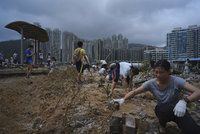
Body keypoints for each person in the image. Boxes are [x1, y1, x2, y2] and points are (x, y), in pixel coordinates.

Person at [113, 59, 200, 134]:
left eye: (161, 72)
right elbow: (135, 91)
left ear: (169, 71)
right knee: (161, 108)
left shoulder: (176, 81)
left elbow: (198, 91)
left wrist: (184, 101)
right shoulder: (151, 83)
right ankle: (162, 125)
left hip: (178, 109)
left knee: (193, 130)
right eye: (156, 72)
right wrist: (123, 99)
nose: (158, 75)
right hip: (162, 111)